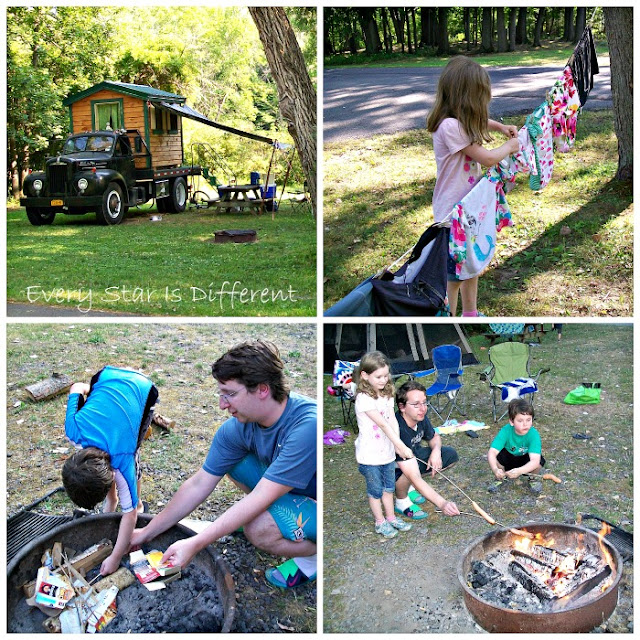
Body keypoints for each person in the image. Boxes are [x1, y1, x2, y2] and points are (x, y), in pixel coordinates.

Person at [130, 340, 317, 589]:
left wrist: (196, 543)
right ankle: (277, 515)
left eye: (230, 394)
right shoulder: (238, 427)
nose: (222, 404)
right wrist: (146, 533)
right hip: (285, 489)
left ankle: (314, 555)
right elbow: (199, 483)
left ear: (262, 389)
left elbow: (261, 496)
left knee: (258, 529)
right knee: (234, 461)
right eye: (221, 394)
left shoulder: (307, 426)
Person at [426, 56, 520, 317]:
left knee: (472, 263)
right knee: (455, 274)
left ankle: (470, 312)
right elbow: (488, 158)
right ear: (466, 98)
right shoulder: (449, 127)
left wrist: (500, 126)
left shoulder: (456, 120)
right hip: (452, 213)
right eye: (480, 97)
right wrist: (509, 147)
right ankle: (448, 319)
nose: (484, 103)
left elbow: (479, 123)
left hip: (469, 208)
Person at [62, 366, 158, 576]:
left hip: (142, 388)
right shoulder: (73, 429)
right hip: (105, 376)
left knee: (134, 454)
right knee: (116, 490)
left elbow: (129, 515)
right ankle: (111, 501)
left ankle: (140, 503)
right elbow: (76, 387)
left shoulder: (122, 458)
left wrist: (115, 557)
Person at [353, 351, 414, 539]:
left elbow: (392, 421)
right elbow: (382, 424)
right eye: (378, 377)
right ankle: (380, 522)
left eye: (386, 375)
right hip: (370, 456)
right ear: (364, 375)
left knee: (389, 488)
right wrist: (401, 446)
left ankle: (391, 517)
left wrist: (397, 444)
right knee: (376, 491)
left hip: (386, 453)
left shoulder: (387, 393)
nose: (383, 380)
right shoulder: (364, 398)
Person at [393, 380, 460, 520]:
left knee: (450, 455)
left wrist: (436, 452)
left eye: (424, 402)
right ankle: (401, 501)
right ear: (402, 407)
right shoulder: (398, 428)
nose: (423, 408)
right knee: (409, 474)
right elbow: (414, 474)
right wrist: (442, 503)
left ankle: (409, 487)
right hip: (390, 469)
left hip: (413, 457)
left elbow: (434, 436)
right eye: (416, 404)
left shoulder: (419, 416)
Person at [487, 398, 545, 494]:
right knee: (497, 457)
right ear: (511, 422)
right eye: (520, 421)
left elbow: (534, 461)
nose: (525, 424)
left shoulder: (533, 434)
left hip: (524, 458)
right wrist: (495, 469)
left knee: (538, 463)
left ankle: (532, 479)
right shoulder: (505, 431)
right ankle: (499, 477)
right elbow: (492, 452)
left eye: (528, 420)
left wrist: (519, 471)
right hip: (509, 458)